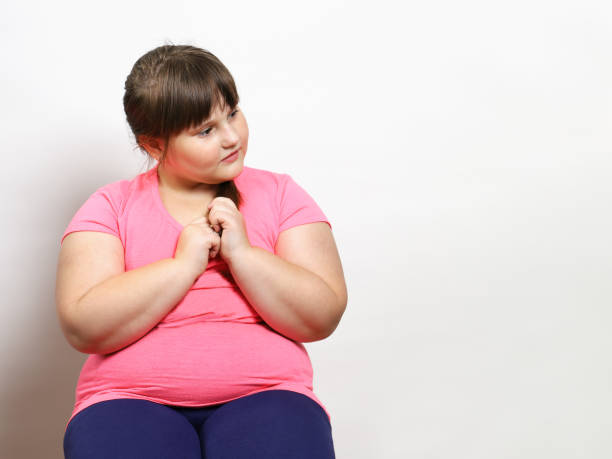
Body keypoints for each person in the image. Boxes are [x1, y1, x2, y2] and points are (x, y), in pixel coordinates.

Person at [55, 44, 347, 459]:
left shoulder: (283, 194)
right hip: (126, 400)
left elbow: (322, 315)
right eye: (205, 130)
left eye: (232, 113)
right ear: (154, 145)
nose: (231, 137)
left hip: (269, 396)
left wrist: (244, 255)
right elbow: (83, 326)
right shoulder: (109, 206)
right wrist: (182, 265)